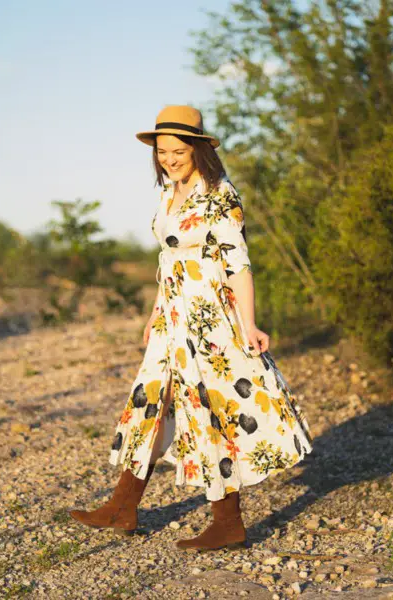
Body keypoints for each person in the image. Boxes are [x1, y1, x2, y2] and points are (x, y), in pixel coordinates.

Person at [69, 105, 313, 551]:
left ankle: (228, 520)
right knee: (150, 404)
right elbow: (169, 259)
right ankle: (123, 505)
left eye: (178, 151)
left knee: (211, 408)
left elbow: (237, 263)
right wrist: (155, 312)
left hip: (208, 321)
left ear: (198, 148)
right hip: (170, 320)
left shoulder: (220, 193)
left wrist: (250, 322)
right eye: (163, 151)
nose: (169, 158)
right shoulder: (169, 191)